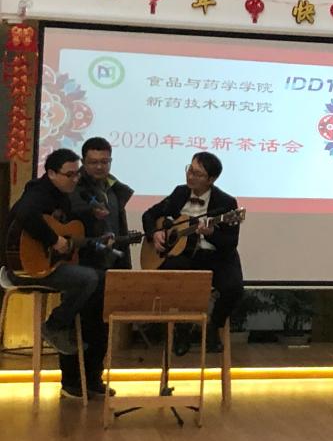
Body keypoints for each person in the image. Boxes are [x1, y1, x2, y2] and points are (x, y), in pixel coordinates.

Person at [4, 148, 112, 399]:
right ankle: (54, 326)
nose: (75, 179)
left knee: (98, 280)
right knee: (89, 279)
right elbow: (26, 214)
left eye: (77, 174)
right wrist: (53, 240)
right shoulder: (39, 192)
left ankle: (90, 375)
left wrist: (92, 232)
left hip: (46, 265)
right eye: (69, 175)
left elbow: (68, 230)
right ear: (51, 173)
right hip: (25, 268)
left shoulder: (63, 197)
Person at [141, 152, 243, 354]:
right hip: (186, 256)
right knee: (173, 274)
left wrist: (211, 233)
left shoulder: (226, 203)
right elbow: (149, 215)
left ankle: (214, 327)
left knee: (234, 288)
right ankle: (182, 328)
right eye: (190, 170)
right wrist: (155, 233)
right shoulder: (180, 193)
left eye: (198, 174)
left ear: (211, 179)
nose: (190, 176)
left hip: (216, 257)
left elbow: (230, 243)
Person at [70, 137, 135, 270]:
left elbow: (119, 228)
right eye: (93, 162)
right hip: (83, 264)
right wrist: (90, 212)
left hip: (114, 263)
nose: (99, 167)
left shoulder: (115, 189)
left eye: (104, 162)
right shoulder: (72, 187)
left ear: (110, 161)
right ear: (83, 162)